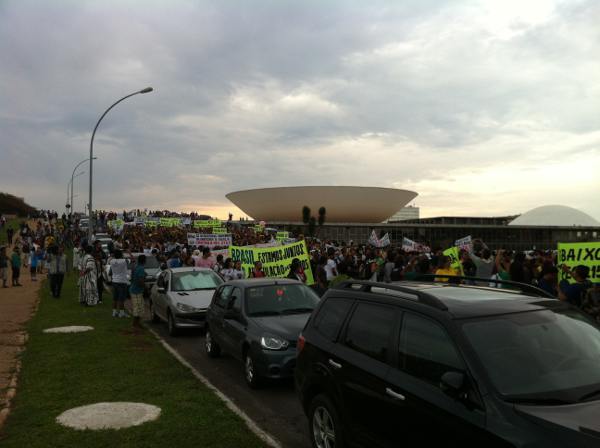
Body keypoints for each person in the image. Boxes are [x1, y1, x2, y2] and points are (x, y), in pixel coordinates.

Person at [109, 249, 129, 317]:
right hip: (122, 281)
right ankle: (121, 313)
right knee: (121, 299)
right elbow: (132, 260)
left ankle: (114, 312)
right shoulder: (124, 261)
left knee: (115, 298)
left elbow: (111, 258)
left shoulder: (111, 261)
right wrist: (128, 253)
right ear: (121, 254)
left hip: (115, 281)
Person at [129, 254, 146, 329]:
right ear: (144, 261)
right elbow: (140, 281)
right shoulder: (141, 268)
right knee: (138, 308)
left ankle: (138, 324)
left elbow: (132, 277)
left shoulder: (135, 267)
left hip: (133, 289)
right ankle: (134, 325)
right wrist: (145, 287)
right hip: (136, 291)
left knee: (140, 307)